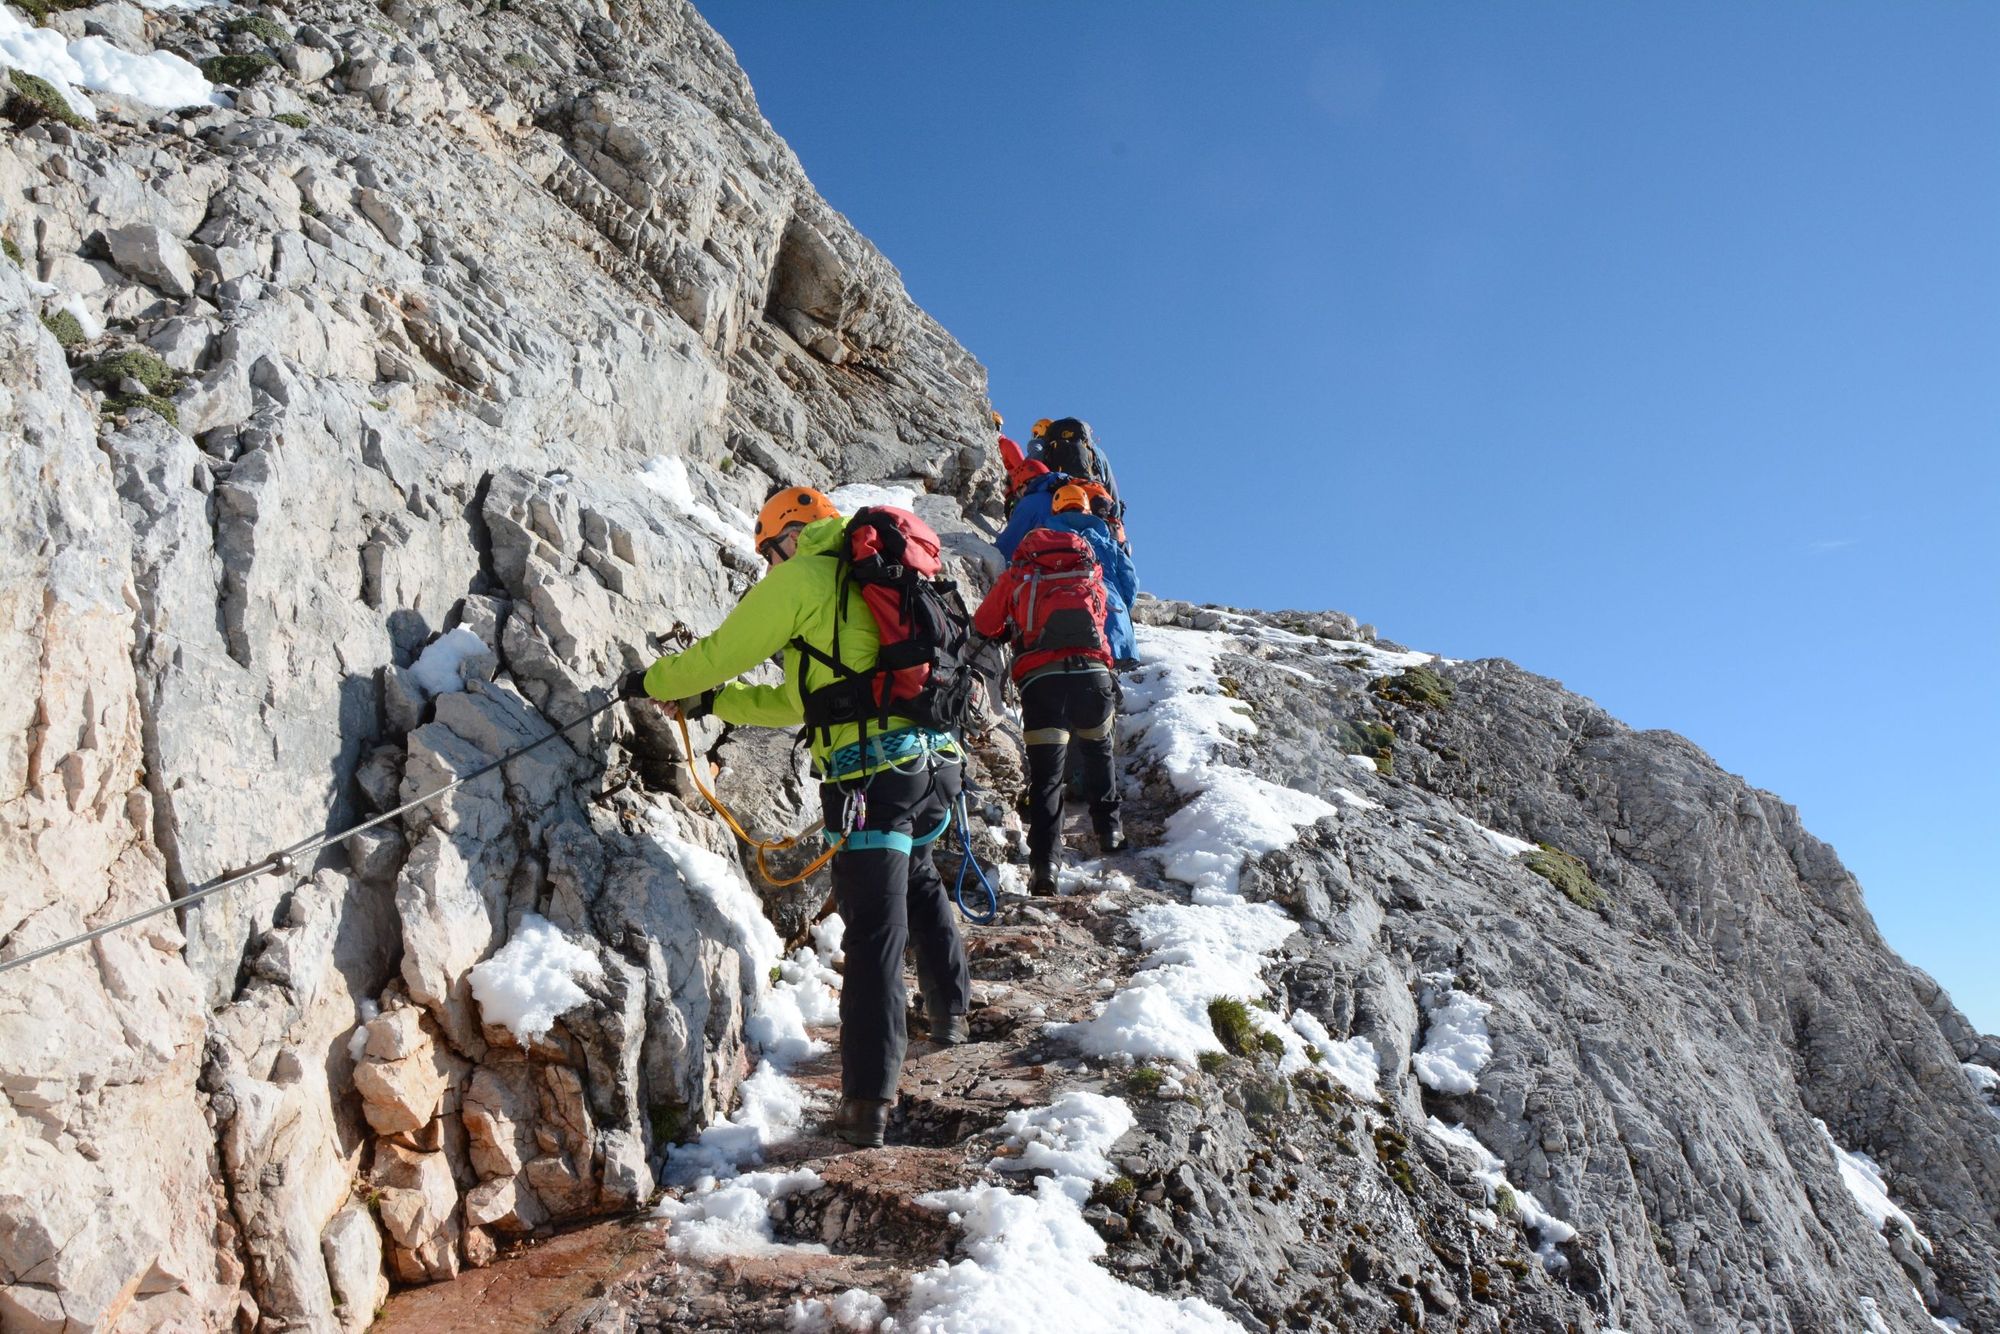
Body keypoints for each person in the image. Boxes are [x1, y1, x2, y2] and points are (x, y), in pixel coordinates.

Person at [626, 486, 971, 1149]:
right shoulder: (883, 576)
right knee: (922, 877)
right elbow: (794, 702)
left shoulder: (804, 579)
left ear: (788, 537)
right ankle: (950, 1014)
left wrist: (655, 683)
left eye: (766, 553)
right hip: (935, 764)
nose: (766, 568)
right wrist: (716, 704)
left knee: (873, 927)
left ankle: (868, 1101)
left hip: (873, 772)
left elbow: (721, 651)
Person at [969, 523, 1125, 896]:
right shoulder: (1090, 575)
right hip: (1093, 677)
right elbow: (1111, 628)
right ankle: (1110, 831)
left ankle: (1045, 868)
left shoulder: (1020, 575)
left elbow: (984, 624)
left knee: (1047, 778)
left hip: (1042, 683)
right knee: (1098, 751)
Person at [1045, 483, 1139, 669]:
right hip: (1113, 624)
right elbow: (1130, 582)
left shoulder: (1049, 539)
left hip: (1063, 625)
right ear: (1087, 510)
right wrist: (1118, 606)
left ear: (1056, 508)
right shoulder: (1109, 544)